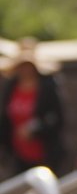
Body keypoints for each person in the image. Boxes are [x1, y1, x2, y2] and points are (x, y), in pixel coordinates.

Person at [0, 38, 65, 175]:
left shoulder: (48, 87)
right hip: (18, 154)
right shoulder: (12, 87)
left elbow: (57, 117)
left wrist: (34, 129)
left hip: (44, 152)